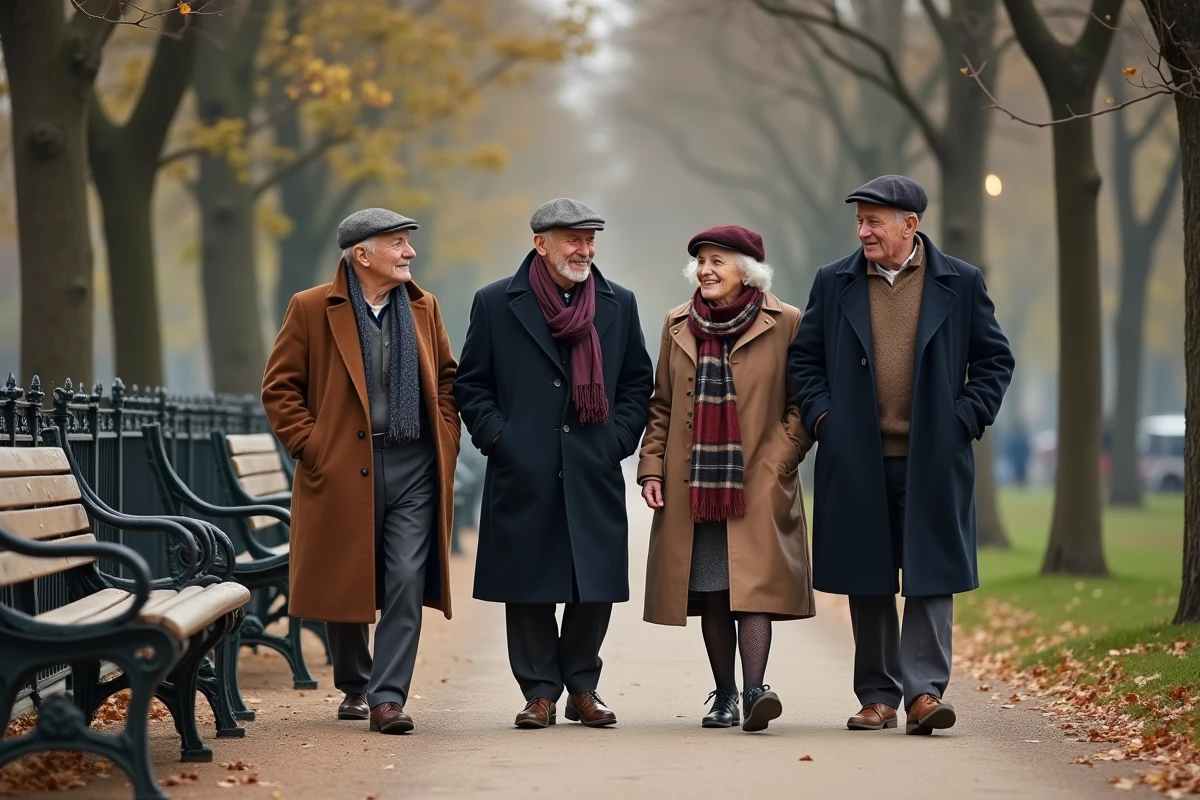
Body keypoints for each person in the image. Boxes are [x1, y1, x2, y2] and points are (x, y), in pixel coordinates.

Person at [788, 175, 1014, 736]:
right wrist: (825, 419)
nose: (863, 231)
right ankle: (878, 696)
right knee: (869, 580)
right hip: (858, 455)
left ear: (910, 225)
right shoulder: (833, 281)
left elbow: (994, 361)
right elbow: (805, 362)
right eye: (860, 221)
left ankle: (925, 695)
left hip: (934, 457)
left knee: (930, 576)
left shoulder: (960, 282)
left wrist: (964, 419)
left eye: (874, 221)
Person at [454, 197, 654, 729]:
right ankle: (539, 692)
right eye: (572, 239)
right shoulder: (496, 302)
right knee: (528, 584)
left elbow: (638, 382)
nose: (584, 249)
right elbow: (471, 385)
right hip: (524, 466)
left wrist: (616, 441)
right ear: (539, 243)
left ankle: (582, 687)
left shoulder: (619, 303)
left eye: (590, 239)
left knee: (594, 581)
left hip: (593, 463)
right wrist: (501, 438)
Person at [262, 208, 461, 735]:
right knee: (347, 575)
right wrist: (313, 447)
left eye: (407, 243)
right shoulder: (310, 308)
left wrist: (445, 437)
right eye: (397, 243)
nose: (409, 253)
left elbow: (446, 380)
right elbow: (279, 388)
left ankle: (387, 698)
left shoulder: (424, 307)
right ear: (362, 254)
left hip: (414, 464)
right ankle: (355, 682)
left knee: (405, 577)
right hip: (344, 464)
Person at [638, 225, 814, 732]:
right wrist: (652, 467)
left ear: (748, 270)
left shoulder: (787, 322)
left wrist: (780, 458)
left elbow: (801, 402)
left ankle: (757, 689)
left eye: (718, 260)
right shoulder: (676, 323)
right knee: (713, 586)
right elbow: (662, 407)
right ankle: (726, 695)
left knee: (752, 586)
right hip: (695, 481)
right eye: (701, 261)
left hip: (758, 478)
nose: (706, 270)